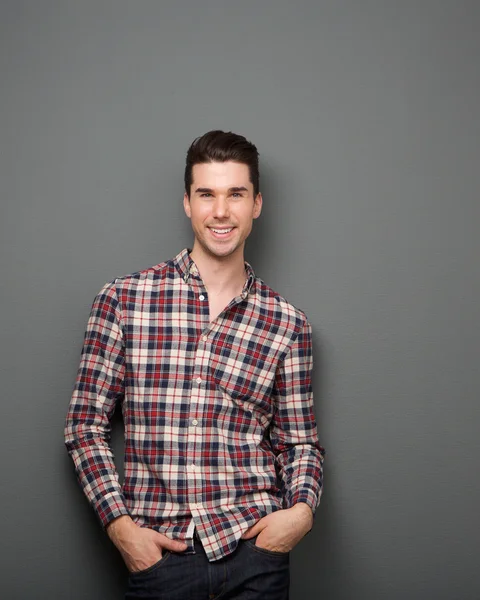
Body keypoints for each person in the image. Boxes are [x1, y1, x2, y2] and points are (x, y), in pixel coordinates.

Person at [65, 130, 325, 599]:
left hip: (256, 558)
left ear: (257, 204)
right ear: (187, 202)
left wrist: (301, 512)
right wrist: (122, 529)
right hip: (161, 559)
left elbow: (300, 443)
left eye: (235, 194)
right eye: (207, 194)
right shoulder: (124, 301)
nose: (221, 211)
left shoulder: (287, 323)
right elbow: (85, 427)